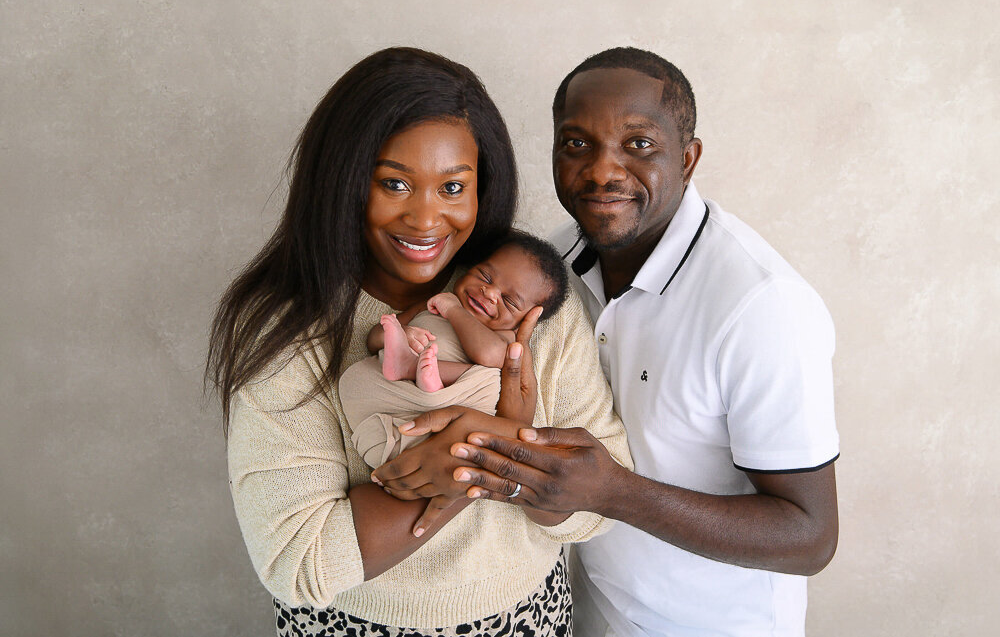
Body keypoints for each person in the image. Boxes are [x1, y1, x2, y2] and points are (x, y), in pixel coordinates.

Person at [384, 47, 840, 637]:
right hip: (589, 610)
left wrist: (614, 491)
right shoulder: (551, 265)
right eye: (576, 144)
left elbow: (810, 536)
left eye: (639, 145)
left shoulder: (760, 305)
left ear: (689, 157)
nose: (602, 171)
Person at [205, 47, 631, 637]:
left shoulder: (521, 294)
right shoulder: (289, 329)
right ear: (343, 180)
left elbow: (597, 500)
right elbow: (298, 562)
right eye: (395, 183)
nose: (427, 219)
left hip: (529, 616)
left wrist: (471, 450)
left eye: (453, 187)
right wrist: (477, 460)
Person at [340, 231, 569, 468]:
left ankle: (411, 367)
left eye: (509, 301)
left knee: (493, 378)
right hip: (385, 405)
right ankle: (407, 367)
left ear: (525, 320)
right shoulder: (434, 302)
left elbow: (489, 355)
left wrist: (453, 311)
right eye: (485, 276)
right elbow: (373, 340)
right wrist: (401, 334)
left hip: (439, 433)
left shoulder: (503, 336)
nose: (489, 293)